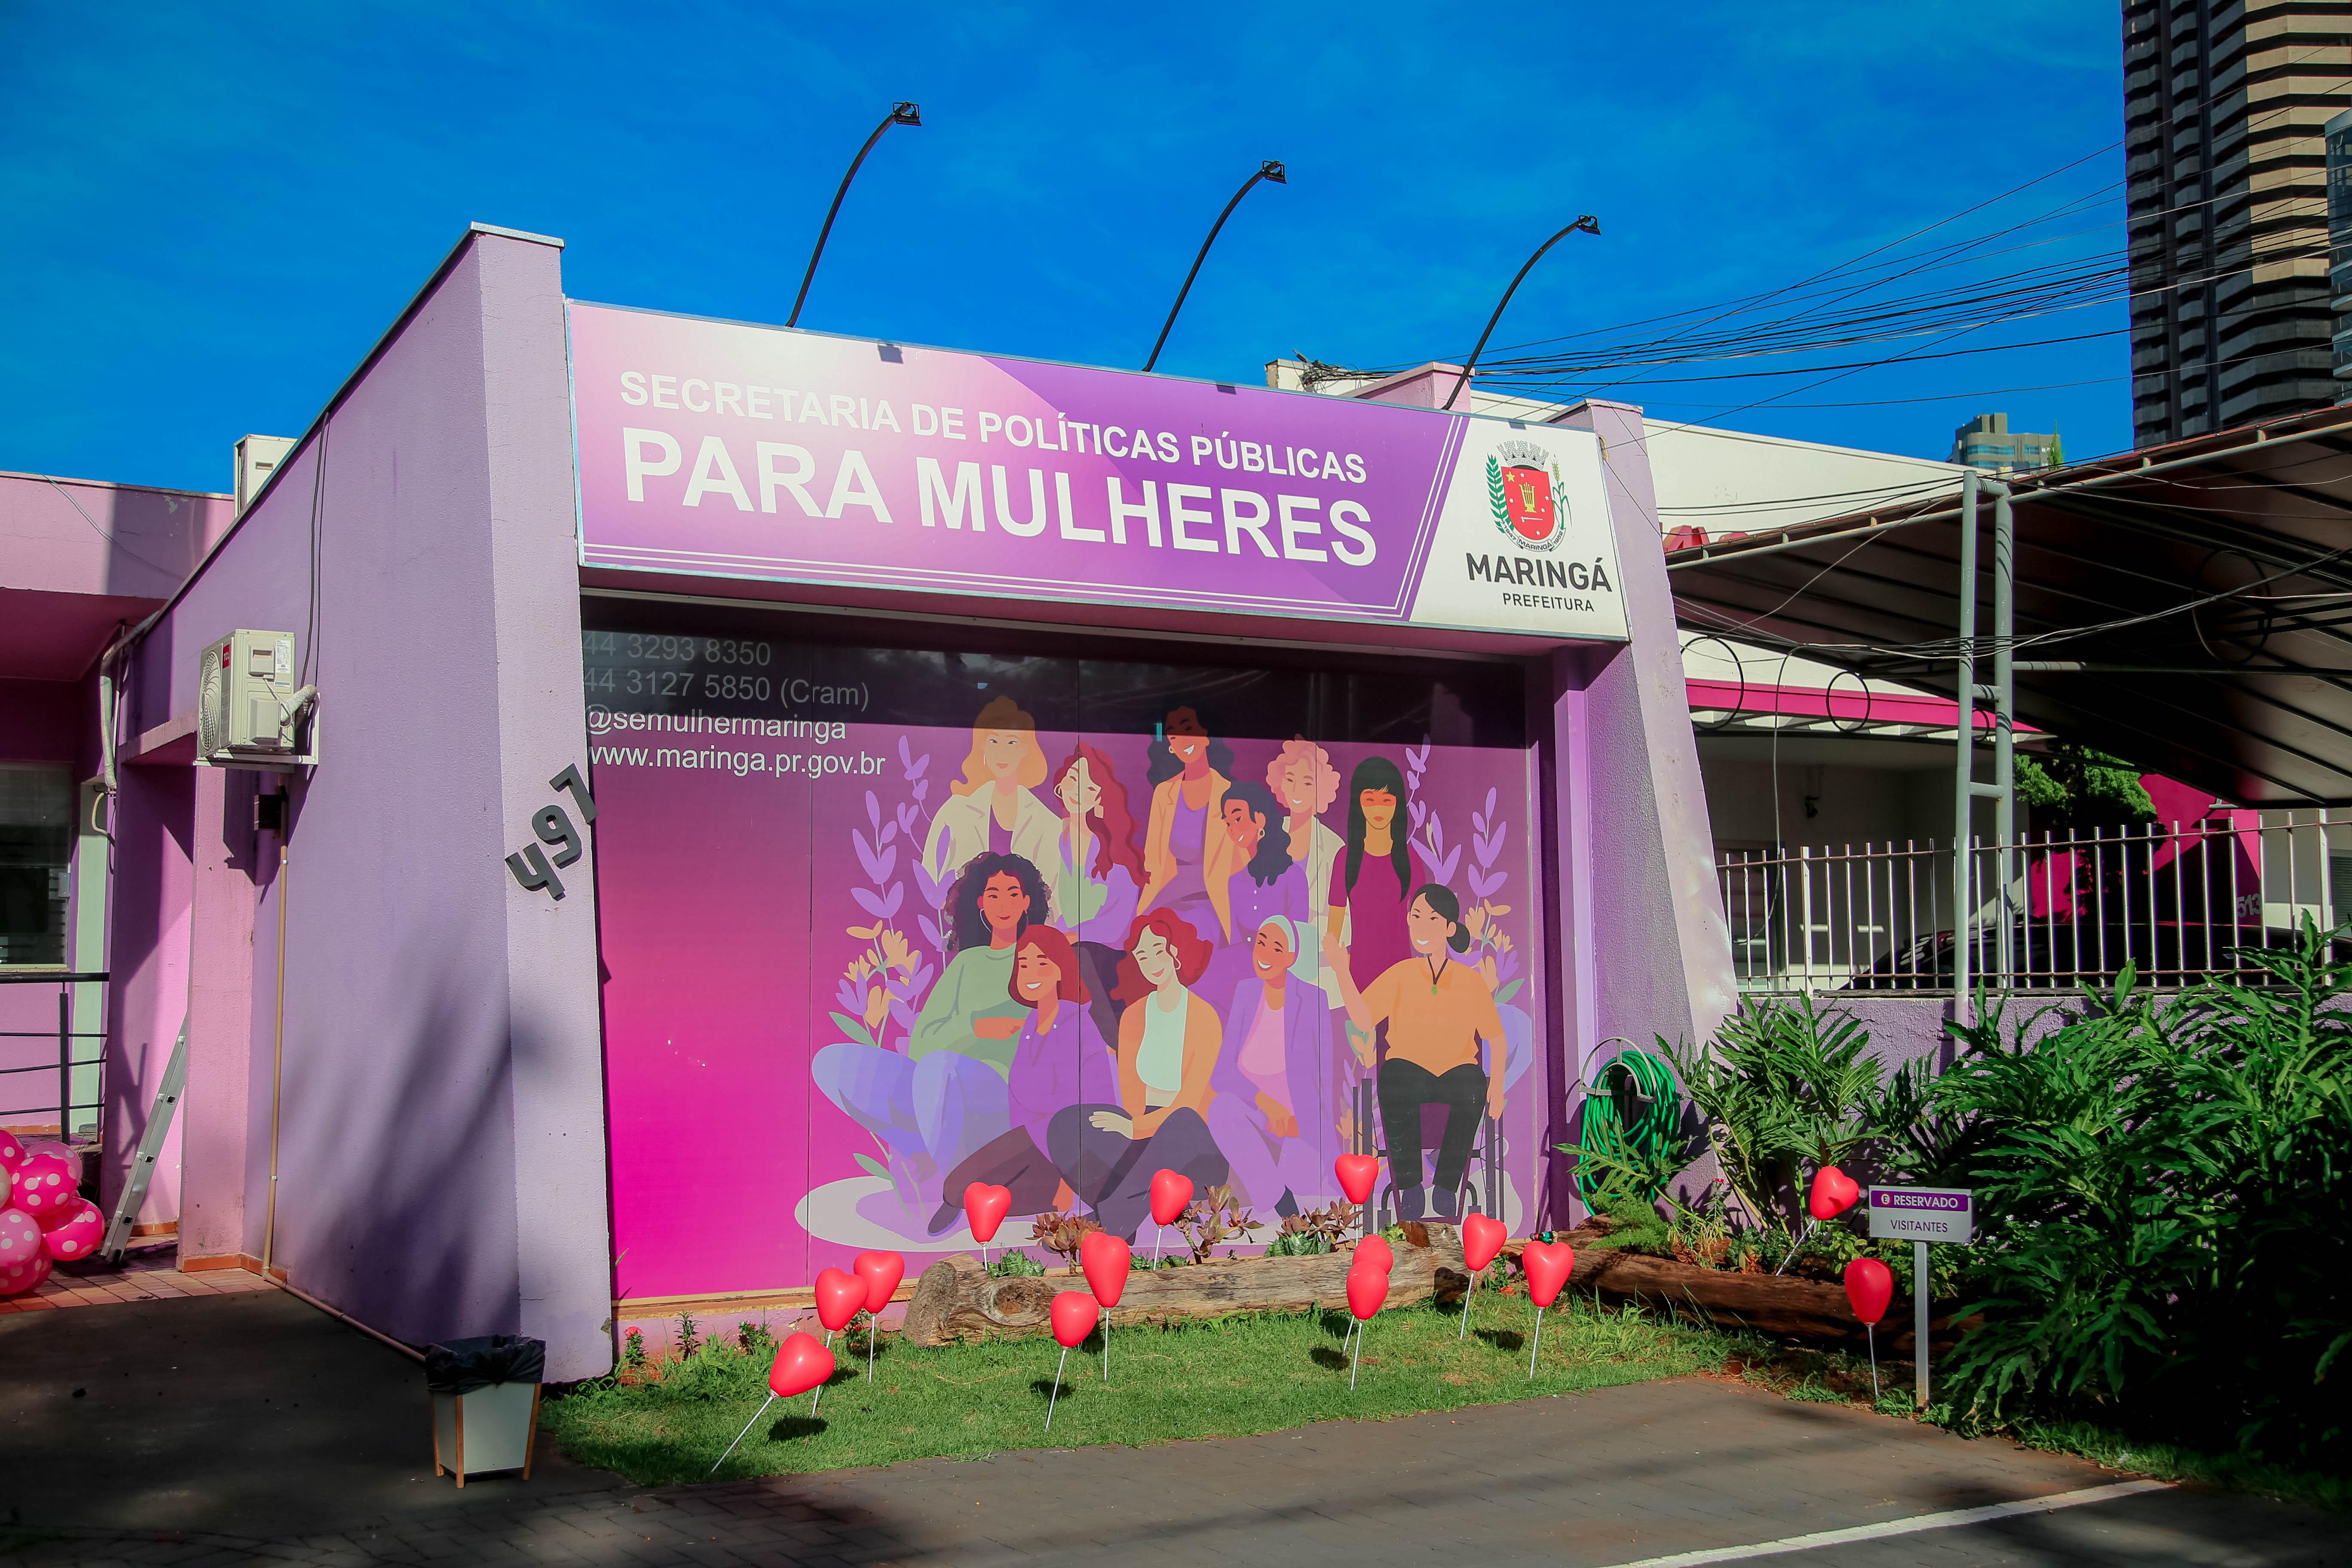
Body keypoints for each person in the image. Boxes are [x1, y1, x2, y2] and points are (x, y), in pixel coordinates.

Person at [813, 853, 1047, 1182]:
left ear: (1026, 902)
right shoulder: (966, 965)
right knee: (833, 1063)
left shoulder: (1040, 957)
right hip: (936, 1088)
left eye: (1012, 894)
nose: (1003, 904)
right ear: (981, 903)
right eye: (994, 895)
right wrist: (976, 1028)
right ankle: (929, 1151)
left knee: (940, 1069)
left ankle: (954, 1177)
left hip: (1000, 1099)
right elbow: (922, 1046)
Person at [1320, 884, 1505, 1222]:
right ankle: (1410, 1186)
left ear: (1449, 928)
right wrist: (1341, 970)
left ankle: (1448, 1185)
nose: (1421, 926)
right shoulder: (1401, 975)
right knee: (1394, 1075)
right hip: (1410, 1074)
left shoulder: (1470, 981)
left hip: (1455, 1073)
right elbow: (1362, 1019)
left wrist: (1498, 1085)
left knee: (1474, 1082)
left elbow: (1496, 1036)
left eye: (1432, 919)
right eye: (1416, 917)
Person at [1045, 909, 1230, 1240]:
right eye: (1142, 956)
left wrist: (1136, 1128)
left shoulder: (1204, 1017)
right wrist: (1133, 1127)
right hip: (1144, 1134)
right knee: (1068, 1125)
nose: (1151, 962)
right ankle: (1122, 1212)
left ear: (1176, 952)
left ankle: (1110, 1222)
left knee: (1182, 1121)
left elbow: (1189, 1102)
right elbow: (1132, 1099)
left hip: (1195, 1147)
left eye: (1158, 950)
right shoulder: (1133, 1017)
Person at [928, 926, 1114, 1233]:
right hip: (1032, 1136)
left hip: (1070, 1146)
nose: (1031, 973)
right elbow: (1018, 1090)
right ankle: (1044, 1198)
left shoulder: (1075, 1021)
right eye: (1024, 965)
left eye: (1042, 963)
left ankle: (1057, 1194)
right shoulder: (1032, 1022)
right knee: (969, 1187)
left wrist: (1067, 1176)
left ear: (1060, 970)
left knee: (959, 1189)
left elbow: (1074, 1105)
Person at [1202, 916, 1338, 1218]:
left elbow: (1324, 1080)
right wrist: (1265, 1102)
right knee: (1221, 1107)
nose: (1264, 954)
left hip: (1297, 1127)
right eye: (1261, 943)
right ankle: (1281, 1203)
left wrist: (1301, 1123)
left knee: (1302, 1175)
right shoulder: (1247, 993)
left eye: (1277, 949)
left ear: (1291, 958)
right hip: (1256, 1117)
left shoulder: (1314, 1000)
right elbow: (1222, 1072)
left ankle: (1280, 1182)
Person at [922, 695, 1063, 914]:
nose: (1002, 752)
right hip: (966, 934)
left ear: (1025, 749)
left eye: (1012, 742)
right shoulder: (955, 811)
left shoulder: (1048, 823)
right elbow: (931, 879)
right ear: (983, 747)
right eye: (994, 741)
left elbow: (1055, 897)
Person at [1326, 754, 1429, 1013]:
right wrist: (1339, 968)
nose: (1379, 810)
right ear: (1358, 804)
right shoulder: (1345, 859)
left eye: (1387, 801)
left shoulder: (1411, 859)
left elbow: (1425, 926)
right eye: (1370, 800)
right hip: (1357, 981)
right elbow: (1332, 935)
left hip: (1402, 979)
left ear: (1398, 804)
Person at [1198, 780, 1308, 1015]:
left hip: (1280, 969)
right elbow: (1235, 942)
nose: (1232, 830)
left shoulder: (1294, 877)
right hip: (1240, 967)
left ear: (1260, 819)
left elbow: (1300, 946)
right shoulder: (1235, 881)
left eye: (1238, 819)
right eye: (1228, 823)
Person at [1136, 706, 1237, 943]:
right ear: (1170, 746)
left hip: (1213, 899)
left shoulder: (1229, 793)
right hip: (1168, 893)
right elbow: (1152, 859)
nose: (1183, 742)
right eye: (1174, 736)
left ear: (1205, 736)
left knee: (1194, 937)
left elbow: (1239, 862)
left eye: (1189, 730)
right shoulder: (1164, 794)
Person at [1267, 738, 1345, 998]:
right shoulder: (1266, 835)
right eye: (1290, 780)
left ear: (1320, 790)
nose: (1297, 790)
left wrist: (1303, 936)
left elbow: (1344, 923)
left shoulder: (1334, 847)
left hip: (1314, 964)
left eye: (1308, 782)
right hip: (1265, 954)